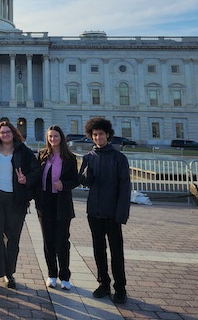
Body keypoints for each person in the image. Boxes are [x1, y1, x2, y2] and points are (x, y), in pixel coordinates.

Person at [0, 120, 39, 292]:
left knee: (12, 238)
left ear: (14, 133)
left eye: (8, 132)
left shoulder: (24, 151)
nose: (5, 135)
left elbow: (36, 171)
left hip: (16, 199)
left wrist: (26, 179)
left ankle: (9, 273)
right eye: (2, 132)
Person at [79, 117, 131, 304]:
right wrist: (85, 175)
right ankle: (103, 283)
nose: (98, 137)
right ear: (91, 137)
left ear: (107, 135)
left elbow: (125, 188)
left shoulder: (119, 158)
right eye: (94, 134)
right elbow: (84, 182)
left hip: (113, 212)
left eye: (101, 134)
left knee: (117, 252)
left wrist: (121, 214)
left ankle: (120, 287)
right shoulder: (88, 157)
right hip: (94, 211)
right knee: (98, 250)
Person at [34, 125, 79, 291]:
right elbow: (36, 178)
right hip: (45, 204)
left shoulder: (70, 158)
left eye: (55, 136)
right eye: (50, 137)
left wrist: (64, 185)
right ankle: (52, 274)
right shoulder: (42, 155)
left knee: (62, 241)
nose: (53, 139)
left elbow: (76, 180)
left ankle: (65, 275)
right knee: (48, 241)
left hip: (62, 204)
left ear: (61, 137)